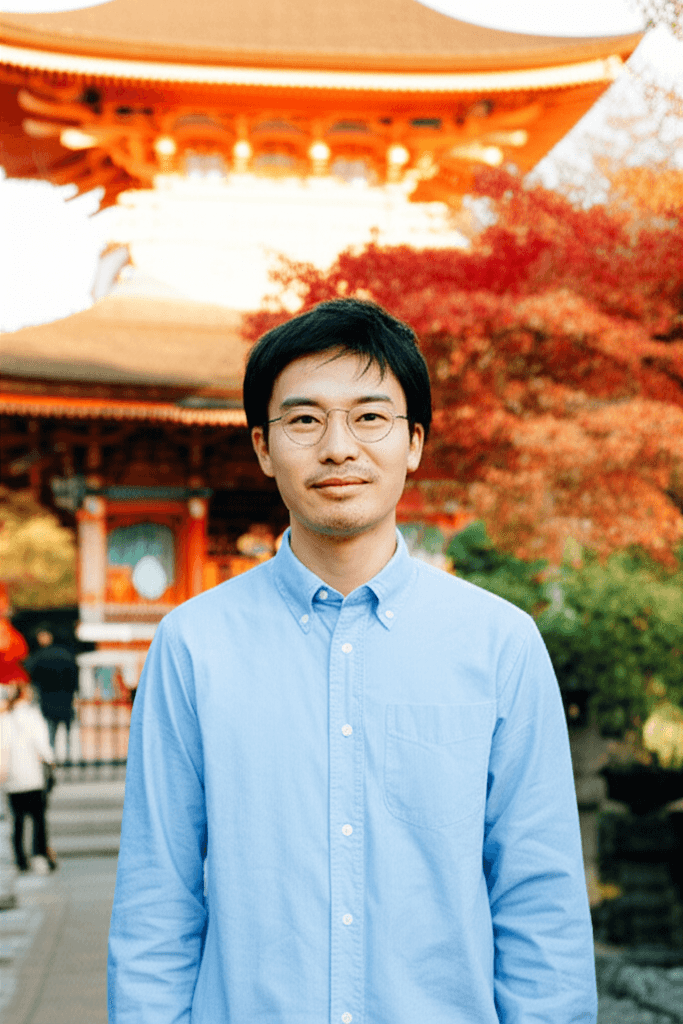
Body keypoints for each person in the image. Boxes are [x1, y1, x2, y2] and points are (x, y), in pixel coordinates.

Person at [108, 298, 597, 1023]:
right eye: (304, 419)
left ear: (414, 443)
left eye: (369, 417)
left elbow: (538, 896)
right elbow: (159, 897)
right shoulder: (193, 645)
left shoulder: (498, 642)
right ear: (263, 447)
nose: (338, 446)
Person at [0, 682, 56, 873]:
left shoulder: (6, 718)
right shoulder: (33, 716)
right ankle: (39, 855)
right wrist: (51, 759)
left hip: (13, 780)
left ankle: (20, 860)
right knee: (38, 819)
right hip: (32, 777)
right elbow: (41, 743)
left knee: (18, 821)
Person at [25, 627, 79, 760]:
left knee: (51, 731)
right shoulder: (66, 654)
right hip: (66, 699)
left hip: (48, 699)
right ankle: (69, 756)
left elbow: (29, 672)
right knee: (67, 730)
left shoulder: (40, 656)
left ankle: (52, 757)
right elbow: (74, 677)